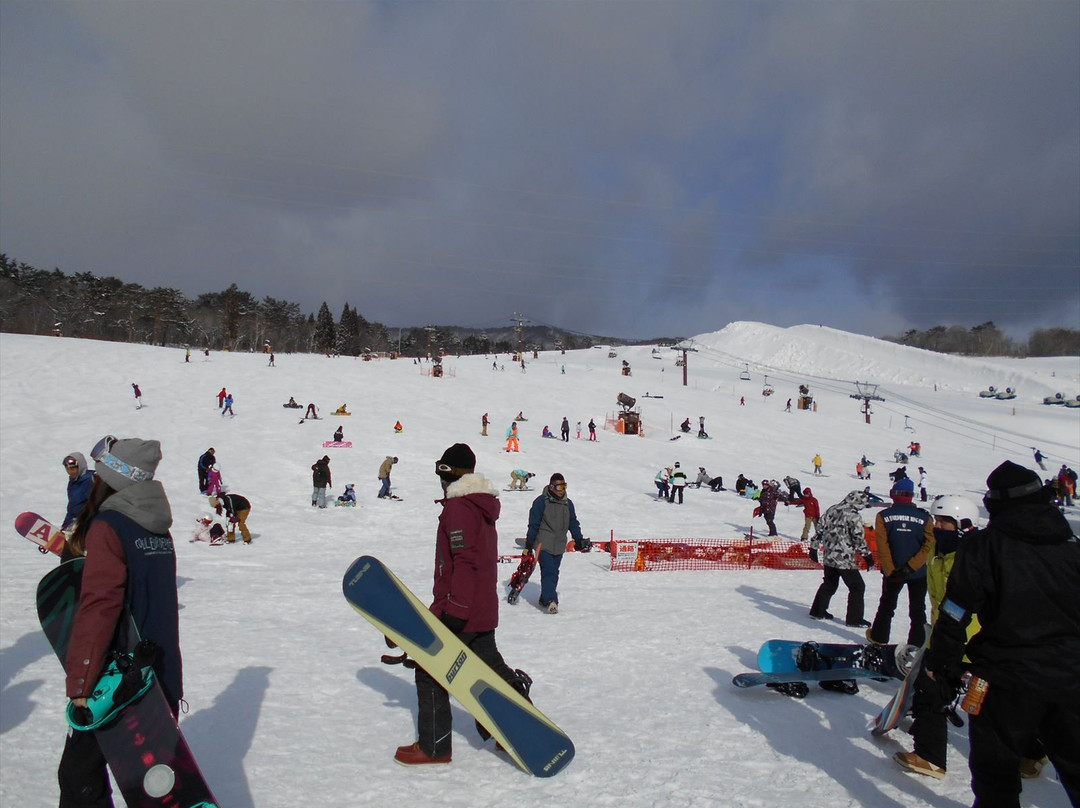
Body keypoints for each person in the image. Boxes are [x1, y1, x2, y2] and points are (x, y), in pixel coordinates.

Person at [922, 461, 1080, 804]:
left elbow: (954, 612)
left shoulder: (984, 546)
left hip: (1006, 680)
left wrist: (942, 663)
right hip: (1070, 677)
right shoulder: (1071, 544)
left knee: (996, 776)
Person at [59, 436, 181, 805]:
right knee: (146, 780)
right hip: (160, 673)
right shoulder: (159, 528)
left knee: (80, 775)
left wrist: (81, 680)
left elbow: (100, 606)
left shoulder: (109, 526)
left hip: (119, 679)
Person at [395, 443, 532, 765]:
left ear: (449, 475)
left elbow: (465, 561)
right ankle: (516, 726)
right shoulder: (480, 505)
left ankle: (434, 747)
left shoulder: (459, 508)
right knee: (492, 667)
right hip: (482, 606)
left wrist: (453, 610)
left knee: (429, 670)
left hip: (463, 608)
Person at [893, 494, 982, 780]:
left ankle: (1032, 751)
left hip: (971, 641)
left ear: (964, 525)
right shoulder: (937, 554)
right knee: (928, 690)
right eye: (937, 521)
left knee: (991, 701)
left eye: (945, 522)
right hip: (943, 637)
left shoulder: (972, 558)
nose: (938, 527)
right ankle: (929, 753)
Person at [867, 477, 934, 647]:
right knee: (918, 609)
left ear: (893, 495)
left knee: (887, 605)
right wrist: (911, 567)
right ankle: (917, 643)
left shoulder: (883, 516)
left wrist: (891, 570)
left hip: (893, 571)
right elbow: (930, 545)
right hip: (918, 572)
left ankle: (879, 637)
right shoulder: (925, 517)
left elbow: (882, 545)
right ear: (911, 495)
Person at [808, 490, 874, 626]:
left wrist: (813, 547)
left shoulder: (832, 509)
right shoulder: (853, 515)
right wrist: (867, 555)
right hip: (844, 558)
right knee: (857, 587)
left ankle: (817, 611)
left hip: (829, 555)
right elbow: (858, 538)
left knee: (830, 583)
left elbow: (819, 529)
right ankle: (854, 619)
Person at [524, 473, 585, 613]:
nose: (561, 489)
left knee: (554, 573)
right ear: (551, 487)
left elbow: (573, 522)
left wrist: (579, 538)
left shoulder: (567, 503)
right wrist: (529, 544)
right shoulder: (541, 502)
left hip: (559, 544)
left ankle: (544, 597)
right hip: (543, 543)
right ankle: (552, 600)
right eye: (559, 486)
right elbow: (533, 524)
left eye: (564, 486)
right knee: (549, 571)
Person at [62, 452, 95, 532]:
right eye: (67, 469)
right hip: (74, 524)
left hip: (85, 525)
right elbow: (72, 507)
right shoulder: (73, 482)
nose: (70, 472)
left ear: (80, 466)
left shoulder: (90, 481)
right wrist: (65, 525)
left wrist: (83, 523)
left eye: (73, 469)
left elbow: (95, 506)